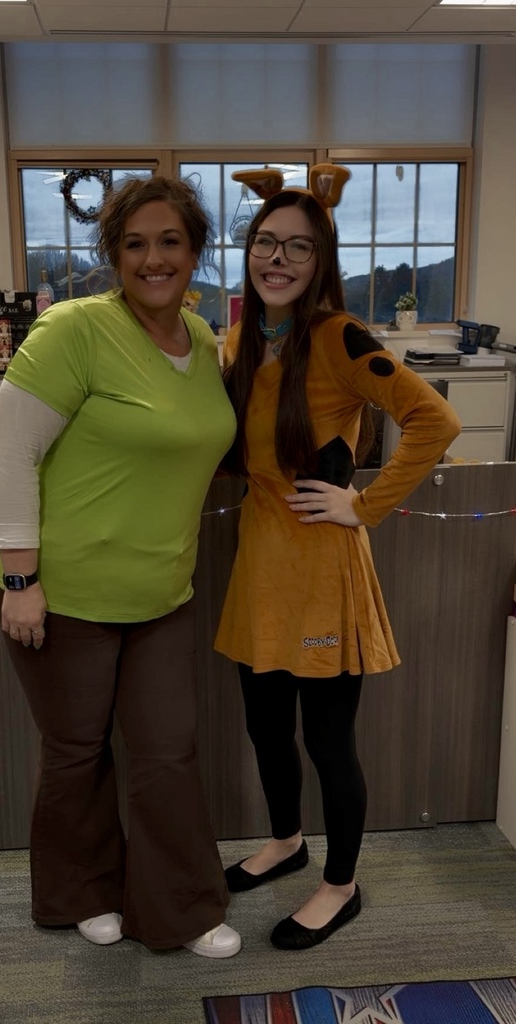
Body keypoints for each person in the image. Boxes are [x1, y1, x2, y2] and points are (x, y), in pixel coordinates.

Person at [0, 175, 241, 959]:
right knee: (76, 751)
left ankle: (181, 909)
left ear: (195, 251)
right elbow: (12, 452)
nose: (153, 258)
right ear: (113, 255)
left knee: (167, 752)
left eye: (170, 241)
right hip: (65, 592)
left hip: (162, 591)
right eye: (135, 244)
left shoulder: (201, 343)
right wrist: (23, 583)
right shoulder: (74, 330)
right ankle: (79, 893)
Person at [215, 164, 461, 951]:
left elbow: (434, 422)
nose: (276, 259)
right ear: (247, 252)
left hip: (323, 574)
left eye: (296, 247)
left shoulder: (336, 336)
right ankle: (286, 840)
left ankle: (339, 884)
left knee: (327, 740)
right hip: (258, 569)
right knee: (263, 727)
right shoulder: (241, 337)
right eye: (264, 243)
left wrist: (363, 505)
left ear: (321, 261)